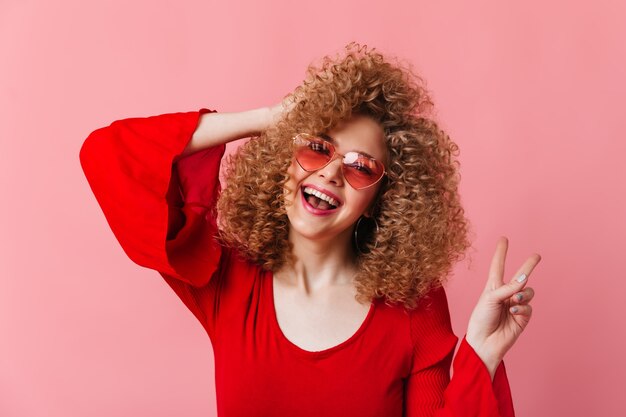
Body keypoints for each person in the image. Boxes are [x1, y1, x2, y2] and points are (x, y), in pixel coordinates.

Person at [79, 43, 540, 417]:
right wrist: (271, 119)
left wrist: (481, 354)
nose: (333, 172)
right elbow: (109, 156)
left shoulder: (413, 307)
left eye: (362, 167)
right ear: (284, 160)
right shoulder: (227, 279)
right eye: (318, 148)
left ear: (381, 200)